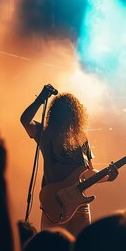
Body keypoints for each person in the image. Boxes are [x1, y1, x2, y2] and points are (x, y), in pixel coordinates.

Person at [20, 86, 117, 236]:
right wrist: (41, 99)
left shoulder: (82, 138)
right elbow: (25, 120)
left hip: (79, 205)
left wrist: (107, 177)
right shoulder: (45, 134)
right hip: (54, 203)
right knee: (53, 250)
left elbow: (88, 172)